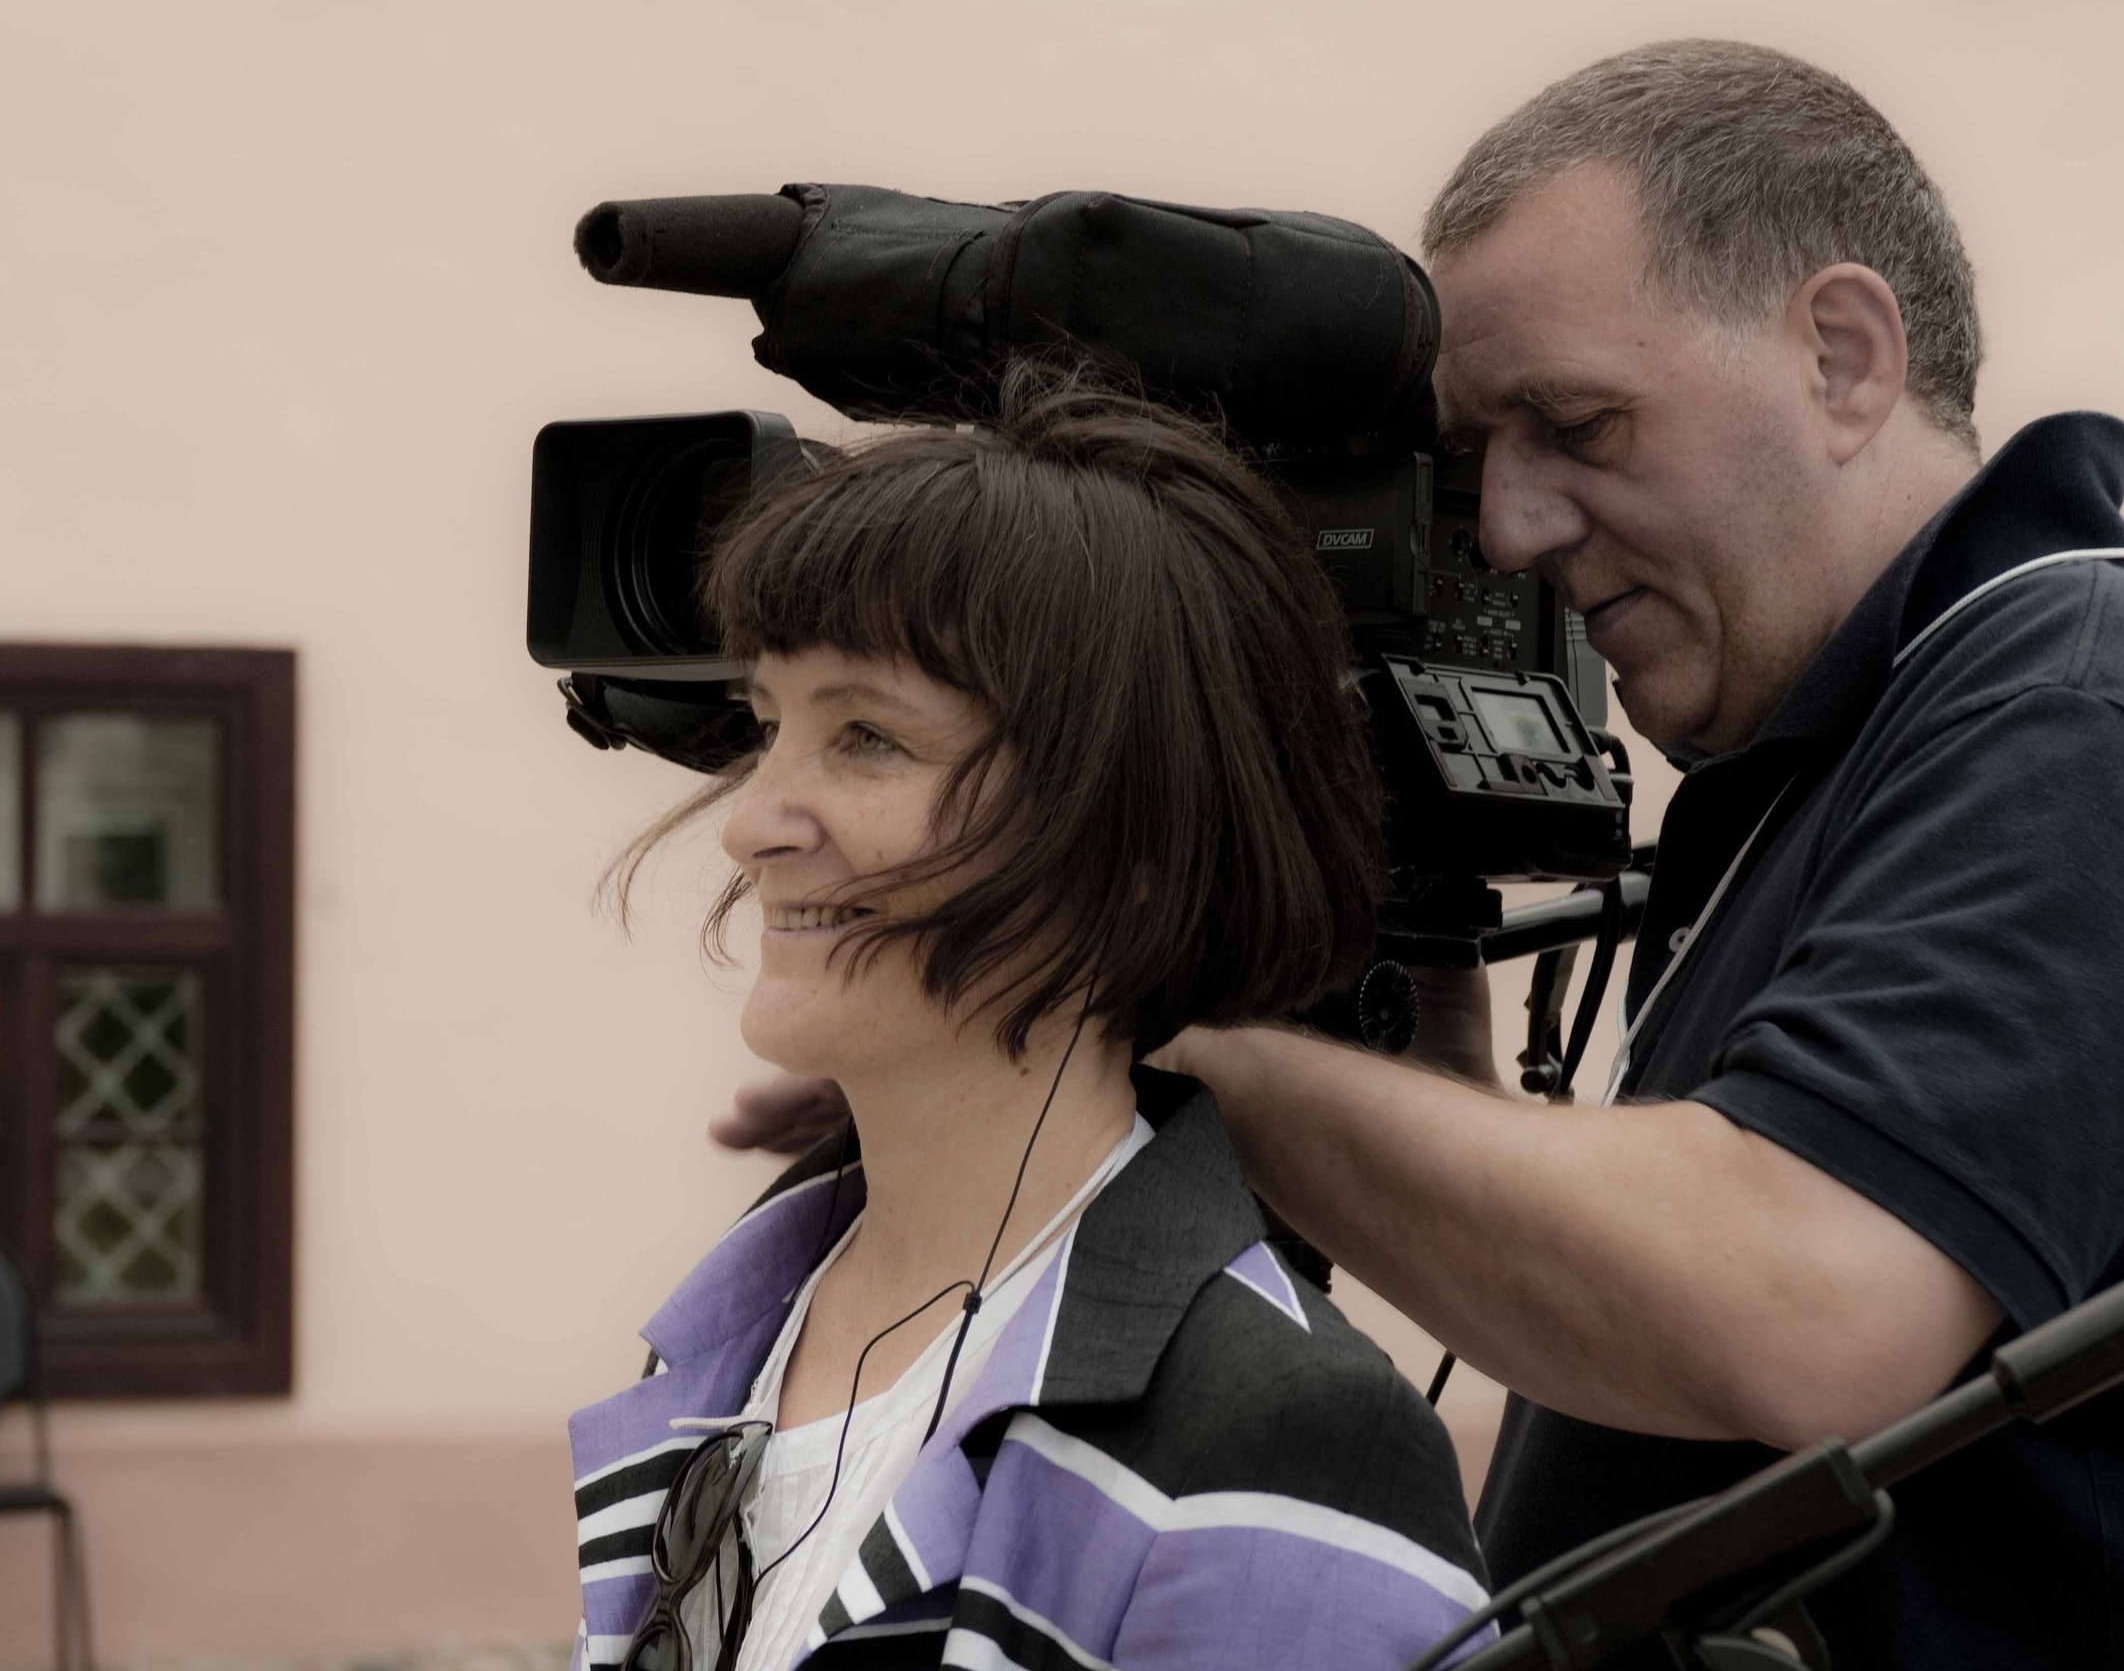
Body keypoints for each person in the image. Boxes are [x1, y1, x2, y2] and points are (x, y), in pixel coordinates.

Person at [722, 43, 2124, 1666]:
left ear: (1844, 356)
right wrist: (1417, 1071)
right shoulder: (1845, 756)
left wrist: (1166, 1043)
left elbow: (1808, 1305)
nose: (1508, 528)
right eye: (1477, 455)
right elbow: (1660, 1330)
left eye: (1575, 425)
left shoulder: (2093, 709)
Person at [566, 369, 1489, 1671]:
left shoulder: (1284, 1445)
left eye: (869, 736)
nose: (751, 821)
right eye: (769, 726)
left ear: (1135, 845)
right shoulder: (735, 1346)